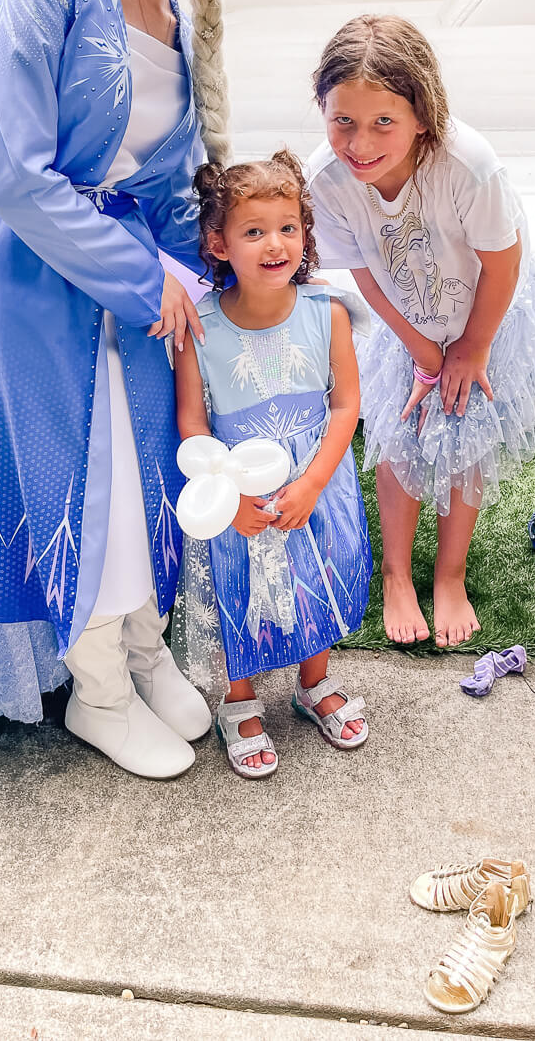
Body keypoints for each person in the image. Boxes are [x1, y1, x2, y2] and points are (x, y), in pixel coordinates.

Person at [0, 0, 299, 779]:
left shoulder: (173, 17)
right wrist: (142, 277)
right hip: (36, 280)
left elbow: (171, 186)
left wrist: (212, 279)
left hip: (128, 285)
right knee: (80, 483)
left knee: (141, 475)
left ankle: (140, 646)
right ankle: (98, 692)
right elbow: (14, 172)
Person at [307, 17, 535, 649]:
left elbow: (505, 263)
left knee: (465, 432)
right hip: (403, 313)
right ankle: (397, 574)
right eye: (344, 122)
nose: (361, 143)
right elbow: (361, 270)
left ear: (422, 114)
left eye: (383, 122)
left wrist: (469, 350)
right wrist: (420, 351)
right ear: (323, 111)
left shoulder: (467, 165)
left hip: (485, 312)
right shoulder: (327, 181)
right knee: (397, 434)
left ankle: (450, 575)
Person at [174, 152, 372, 780]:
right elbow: (192, 421)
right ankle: (240, 698)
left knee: (315, 575)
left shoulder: (327, 311)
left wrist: (314, 482)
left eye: (288, 227)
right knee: (239, 585)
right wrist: (228, 498)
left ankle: (313, 683)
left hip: (316, 480)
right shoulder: (198, 327)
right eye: (253, 231)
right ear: (218, 243)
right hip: (237, 489)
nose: (274, 243)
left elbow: (346, 405)